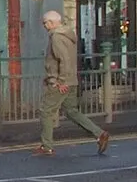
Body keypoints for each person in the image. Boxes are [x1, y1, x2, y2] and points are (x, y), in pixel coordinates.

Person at [38, 8, 106, 156]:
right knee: (71, 111)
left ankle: (46, 146)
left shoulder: (56, 37)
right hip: (72, 80)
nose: (44, 26)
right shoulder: (68, 35)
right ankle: (99, 134)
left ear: (51, 22)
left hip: (60, 82)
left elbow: (63, 60)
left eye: (45, 23)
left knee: (46, 111)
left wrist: (60, 81)